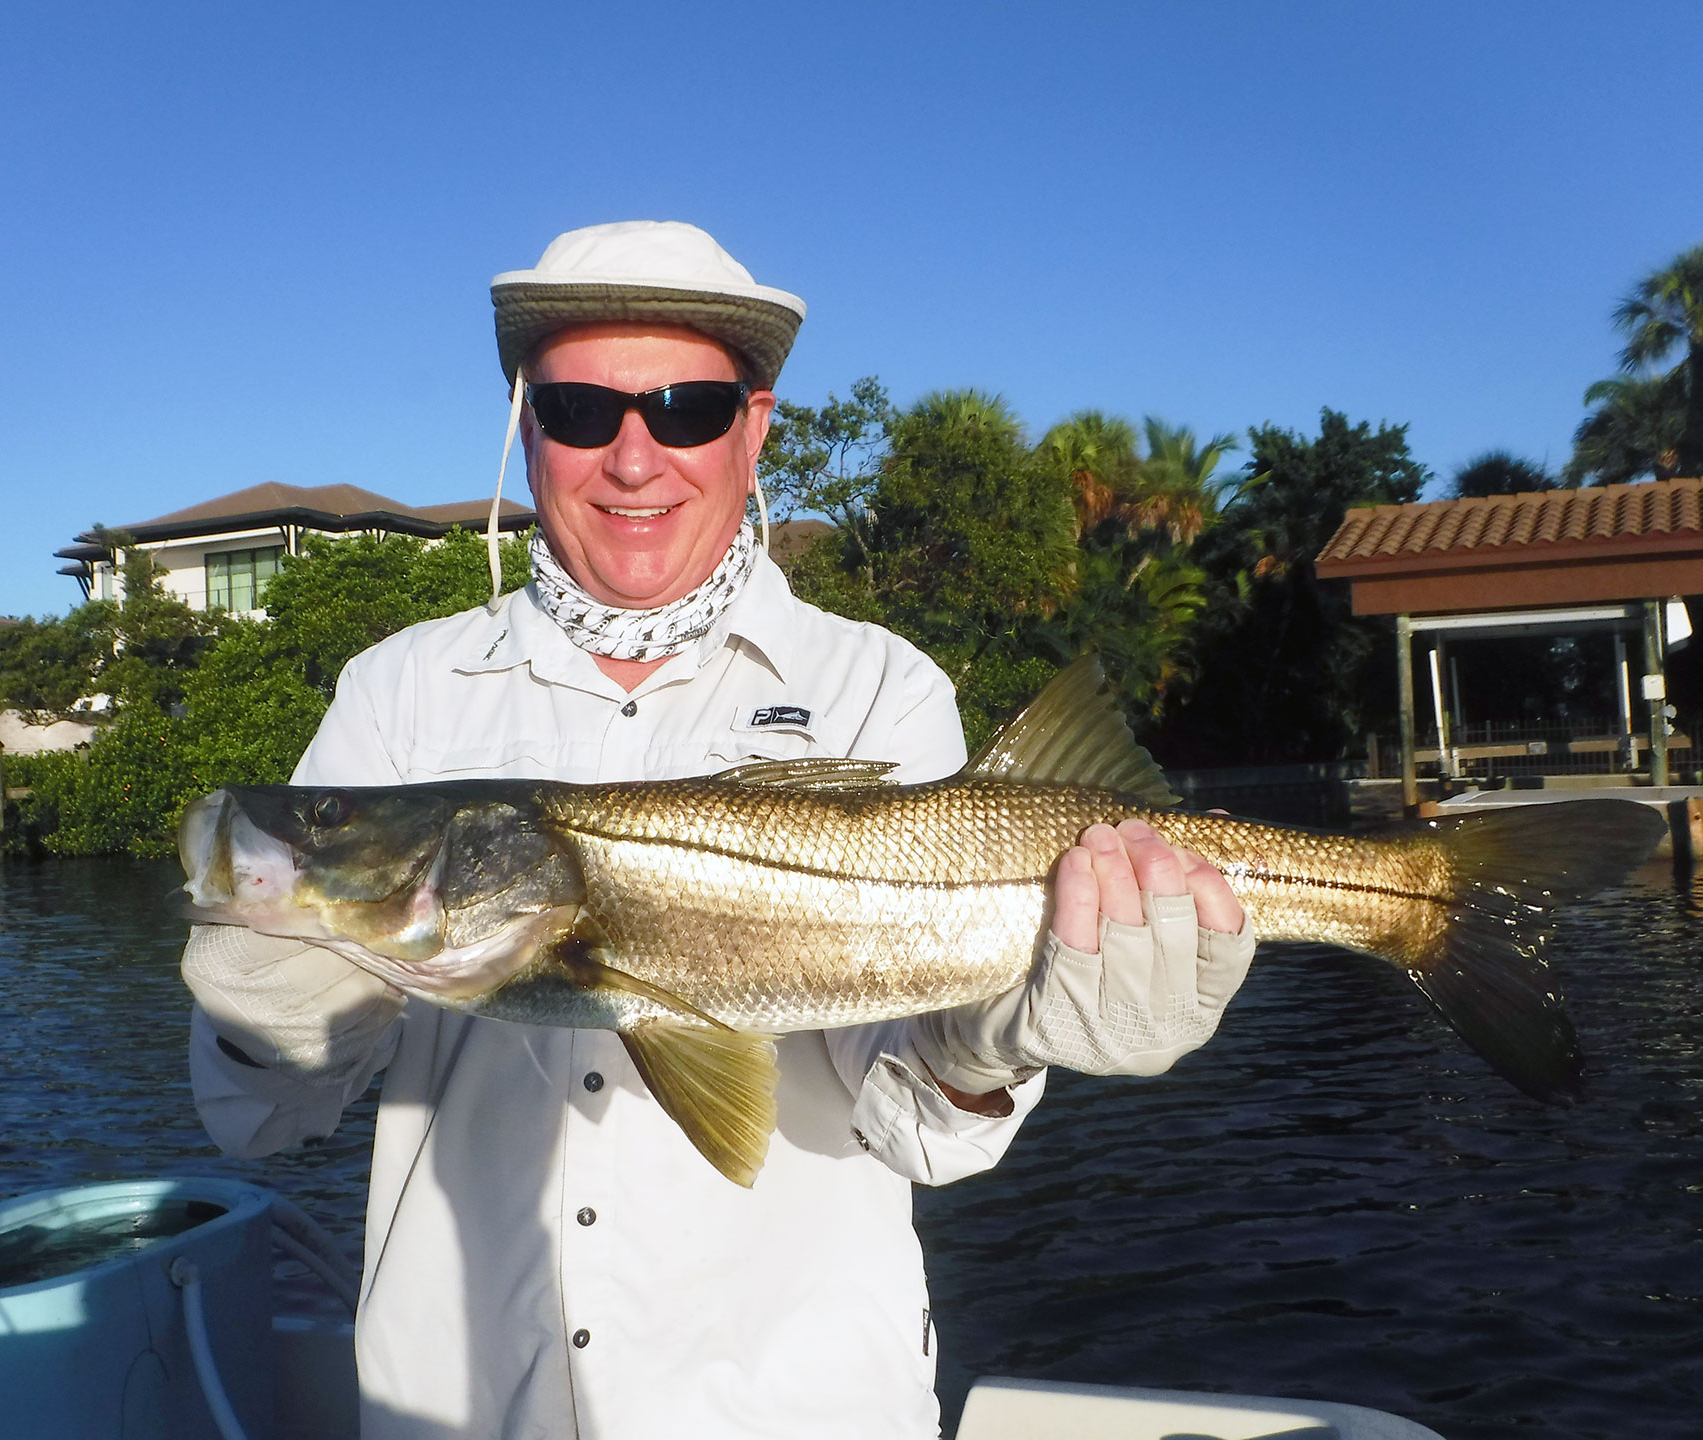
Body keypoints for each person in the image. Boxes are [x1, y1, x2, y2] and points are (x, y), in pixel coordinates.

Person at [182, 220, 1256, 1440]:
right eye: (582, 411)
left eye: (686, 409)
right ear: (527, 428)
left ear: (755, 430)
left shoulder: (879, 685)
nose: (634, 459)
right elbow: (265, 1123)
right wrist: (266, 1027)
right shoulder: (397, 694)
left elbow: (915, 1128)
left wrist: (999, 1043)